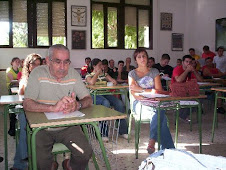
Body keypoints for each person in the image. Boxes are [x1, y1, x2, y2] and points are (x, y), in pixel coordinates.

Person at [23, 44, 93, 170]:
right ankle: (51, 165)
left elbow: (88, 99)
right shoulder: (37, 73)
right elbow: (27, 103)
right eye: (57, 62)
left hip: (68, 126)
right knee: (40, 165)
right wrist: (52, 108)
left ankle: (69, 165)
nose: (63, 67)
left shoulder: (73, 74)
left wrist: (78, 105)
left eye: (66, 62)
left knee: (85, 153)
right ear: (48, 61)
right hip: (42, 127)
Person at [129, 48, 175, 154]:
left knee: (159, 111)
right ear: (135, 60)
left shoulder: (154, 71)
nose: (142, 59)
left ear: (147, 58)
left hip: (155, 101)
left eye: (144, 56)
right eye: (139, 57)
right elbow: (134, 94)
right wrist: (148, 95)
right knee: (159, 114)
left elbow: (158, 91)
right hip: (139, 103)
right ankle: (169, 150)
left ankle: (152, 140)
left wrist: (142, 90)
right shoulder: (132, 74)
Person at [11, 53, 42, 170]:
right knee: (26, 129)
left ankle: (38, 160)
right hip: (26, 110)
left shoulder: (42, 77)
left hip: (40, 109)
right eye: (33, 64)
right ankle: (21, 163)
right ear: (28, 66)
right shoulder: (25, 79)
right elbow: (21, 97)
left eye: (39, 65)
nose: (36, 67)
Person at [86, 58, 128, 139]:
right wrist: (97, 73)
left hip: (105, 93)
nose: (102, 67)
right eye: (99, 65)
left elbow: (114, 82)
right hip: (94, 95)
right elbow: (91, 82)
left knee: (119, 104)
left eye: (102, 65)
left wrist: (111, 81)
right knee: (106, 103)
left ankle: (123, 131)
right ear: (94, 66)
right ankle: (103, 133)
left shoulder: (105, 74)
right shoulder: (89, 75)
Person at [171, 55, 203, 121]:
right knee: (187, 99)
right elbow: (179, 80)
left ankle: (182, 114)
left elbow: (201, 80)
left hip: (187, 91)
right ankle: (181, 114)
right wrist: (187, 71)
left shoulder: (192, 70)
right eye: (187, 62)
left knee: (200, 99)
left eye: (190, 62)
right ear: (183, 62)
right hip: (177, 91)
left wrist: (194, 71)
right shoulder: (177, 69)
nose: (188, 63)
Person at [6, 57, 22, 136]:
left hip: (19, 88)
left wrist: (19, 81)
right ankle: (12, 129)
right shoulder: (9, 70)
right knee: (13, 107)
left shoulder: (21, 70)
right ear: (12, 62)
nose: (18, 63)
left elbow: (21, 79)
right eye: (16, 61)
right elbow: (12, 81)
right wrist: (19, 80)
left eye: (19, 61)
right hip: (12, 89)